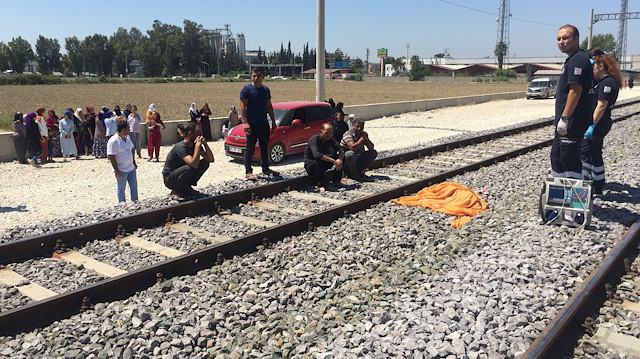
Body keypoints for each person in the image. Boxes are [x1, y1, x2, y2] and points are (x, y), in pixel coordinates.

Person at [551, 24, 594, 179]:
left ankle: (574, 197)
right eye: (558, 39)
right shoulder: (572, 60)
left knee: (568, 158)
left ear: (576, 39)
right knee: (557, 157)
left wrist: (565, 118)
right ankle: (561, 192)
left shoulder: (578, 61)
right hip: (568, 120)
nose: (561, 42)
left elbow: (575, 91)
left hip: (572, 121)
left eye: (566, 38)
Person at [580, 49, 622, 196]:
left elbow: (601, 105)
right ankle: (598, 184)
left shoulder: (607, 83)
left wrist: (591, 125)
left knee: (584, 153)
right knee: (595, 153)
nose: (592, 69)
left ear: (601, 67)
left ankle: (583, 186)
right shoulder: (604, 82)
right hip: (601, 123)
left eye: (593, 66)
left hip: (599, 123)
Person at [239, 66, 279, 180]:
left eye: (258, 76)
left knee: (264, 147)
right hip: (252, 124)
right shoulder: (246, 90)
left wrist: (273, 121)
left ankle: (265, 168)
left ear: (263, 76)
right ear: (251, 76)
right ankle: (248, 171)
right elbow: (242, 107)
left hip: (263, 123)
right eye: (254, 76)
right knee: (250, 148)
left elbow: (269, 106)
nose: (256, 78)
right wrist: (245, 123)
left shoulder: (265, 90)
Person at [162, 122, 214, 200]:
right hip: (170, 179)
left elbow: (211, 159)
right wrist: (197, 147)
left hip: (183, 173)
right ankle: (175, 191)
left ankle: (187, 187)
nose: (200, 137)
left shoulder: (195, 145)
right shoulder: (181, 147)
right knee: (189, 168)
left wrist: (205, 144)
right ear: (190, 134)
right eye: (198, 134)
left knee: (205, 163)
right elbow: (194, 164)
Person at [304, 123, 344, 192]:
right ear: (321, 131)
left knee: (340, 158)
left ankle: (336, 181)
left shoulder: (329, 139)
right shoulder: (314, 140)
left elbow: (340, 149)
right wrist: (333, 161)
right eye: (327, 133)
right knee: (319, 160)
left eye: (330, 133)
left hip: (321, 164)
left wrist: (339, 160)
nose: (329, 135)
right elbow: (317, 154)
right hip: (311, 166)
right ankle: (320, 184)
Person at [107, 120, 138, 203]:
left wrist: (134, 162)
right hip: (121, 169)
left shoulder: (127, 139)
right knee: (121, 189)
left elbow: (132, 149)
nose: (130, 129)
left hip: (131, 168)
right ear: (123, 129)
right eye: (128, 128)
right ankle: (122, 204)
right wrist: (117, 171)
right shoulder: (113, 141)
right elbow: (111, 156)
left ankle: (135, 203)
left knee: (134, 186)